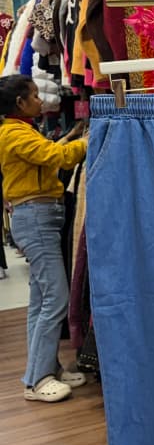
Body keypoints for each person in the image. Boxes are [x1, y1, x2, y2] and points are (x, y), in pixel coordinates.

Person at [0, 75, 88, 403]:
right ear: (19, 102)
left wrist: (73, 137)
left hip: (40, 217)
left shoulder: (22, 129)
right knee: (56, 297)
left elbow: (48, 153)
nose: (41, 100)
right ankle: (37, 380)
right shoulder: (13, 133)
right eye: (35, 95)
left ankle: (48, 367)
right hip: (35, 218)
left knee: (41, 301)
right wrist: (91, 141)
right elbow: (56, 157)